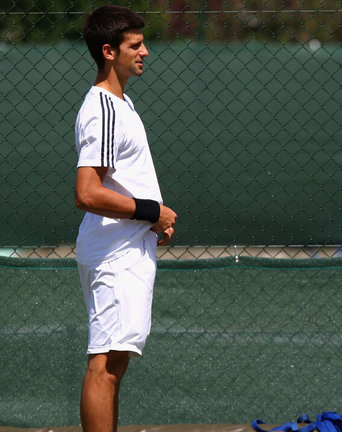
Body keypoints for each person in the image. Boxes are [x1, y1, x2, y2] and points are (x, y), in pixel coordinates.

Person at [73, 5, 177, 432]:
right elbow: (87, 192)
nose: (146, 52)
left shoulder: (123, 103)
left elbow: (117, 185)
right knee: (105, 366)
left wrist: (150, 222)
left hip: (128, 249)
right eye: (135, 45)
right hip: (114, 255)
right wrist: (151, 211)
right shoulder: (103, 109)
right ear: (108, 51)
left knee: (116, 363)